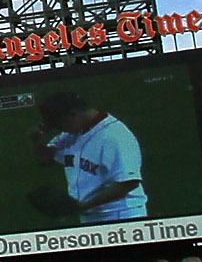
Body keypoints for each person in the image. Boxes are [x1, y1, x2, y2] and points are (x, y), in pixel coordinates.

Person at [33, 92, 147, 223]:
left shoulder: (115, 136)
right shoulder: (72, 134)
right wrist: (36, 140)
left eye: (59, 125)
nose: (60, 130)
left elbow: (128, 183)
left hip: (122, 215)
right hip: (91, 215)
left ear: (72, 115)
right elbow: (44, 160)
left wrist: (81, 206)